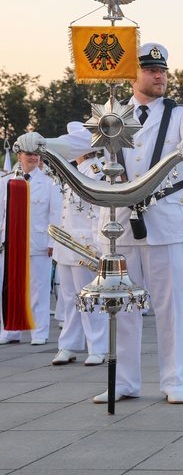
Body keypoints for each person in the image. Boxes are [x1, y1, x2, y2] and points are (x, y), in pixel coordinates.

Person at [16, 43, 183, 403]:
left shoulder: (180, 113)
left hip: (165, 222)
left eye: (163, 70)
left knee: (171, 307)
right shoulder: (114, 114)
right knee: (122, 305)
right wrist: (42, 142)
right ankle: (125, 381)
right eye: (151, 70)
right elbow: (75, 143)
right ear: (133, 75)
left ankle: (174, 381)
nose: (159, 76)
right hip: (120, 224)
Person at [50, 139, 109, 365]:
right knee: (68, 298)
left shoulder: (94, 171)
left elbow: (99, 210)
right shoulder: (76, 168)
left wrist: (98, 246)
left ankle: (98, 347)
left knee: (90, 298)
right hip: (68, 244)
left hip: (86, 246)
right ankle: (69, 345)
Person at [0, 147, 62, 346]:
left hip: (39, 243)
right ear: (19, 156)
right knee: (11, 288)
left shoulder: (48, 183)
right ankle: (11, 330)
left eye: (36, 154)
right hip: (11, 243)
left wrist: (54, 242)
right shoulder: (6, 181)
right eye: (29, 154)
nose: (34, 158)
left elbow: (55, 215)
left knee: (39, 288)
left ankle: (39, 331)